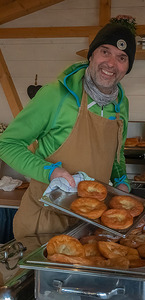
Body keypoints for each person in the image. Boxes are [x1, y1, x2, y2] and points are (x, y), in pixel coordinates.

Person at [0, 21, 136, 239]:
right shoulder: (56, 95)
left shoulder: (121, 104)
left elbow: (116, 154)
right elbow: (7, 144)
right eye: (105, 52)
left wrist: (121, 183)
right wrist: (50, 172)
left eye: (122, 58)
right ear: (91, 55)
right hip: (44, 224)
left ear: (127, 67)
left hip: (88, 225)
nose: (111, 63)